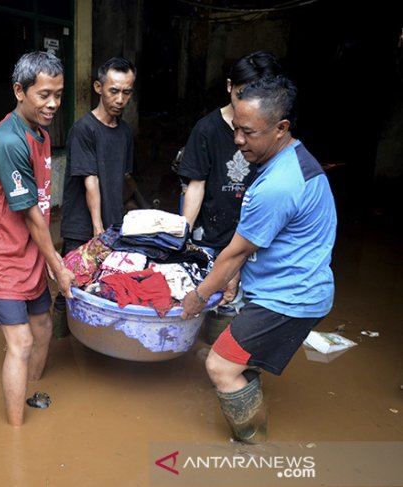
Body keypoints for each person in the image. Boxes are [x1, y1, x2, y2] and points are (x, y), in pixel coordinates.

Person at [180, 74, 337, 443]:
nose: (237, 141)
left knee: (219, 365)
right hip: (291, 287)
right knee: (236, 359)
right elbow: (260, 244)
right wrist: (236, 275)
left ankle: (253, 446)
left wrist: (198, 297)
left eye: (248, 133)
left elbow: (234, 253)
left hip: (289, 299)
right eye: (236, 129)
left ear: (281, 128)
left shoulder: (280, 185)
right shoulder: (293, 161)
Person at [0, 51, 76, 427]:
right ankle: (16, 435)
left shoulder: (40, 133)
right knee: (22, 342)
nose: (53, 104)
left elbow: (40, 212)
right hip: (0, 258)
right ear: (19, 91)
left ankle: (31, 394)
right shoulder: (8, 142)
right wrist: (59, 266)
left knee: (44, 327)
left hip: (27, 251)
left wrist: (47, 260)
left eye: (58, 95)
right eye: (44, 95)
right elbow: (31, 214)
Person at [176, 51, 284, 339]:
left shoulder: (272, 135)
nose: (252, 104)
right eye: (243, 94)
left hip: (254, 245)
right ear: (228, 87)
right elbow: (195, 185)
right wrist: (181, 236)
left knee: (234, 323)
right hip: (210, 238)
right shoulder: (207, 130)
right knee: (197, 311)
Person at [53, 56, 137, 338]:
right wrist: (98, 230)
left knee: (104, 290)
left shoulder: (124, 132)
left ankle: (94, 345)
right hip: (83, 227)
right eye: (114, 90)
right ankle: (59, 344)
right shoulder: (83, 129)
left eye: (127, 92)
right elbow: (92, 182)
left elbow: (122, 180)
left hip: (111, 225)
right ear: (98, 87)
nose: (120, 98)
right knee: (71, 291)